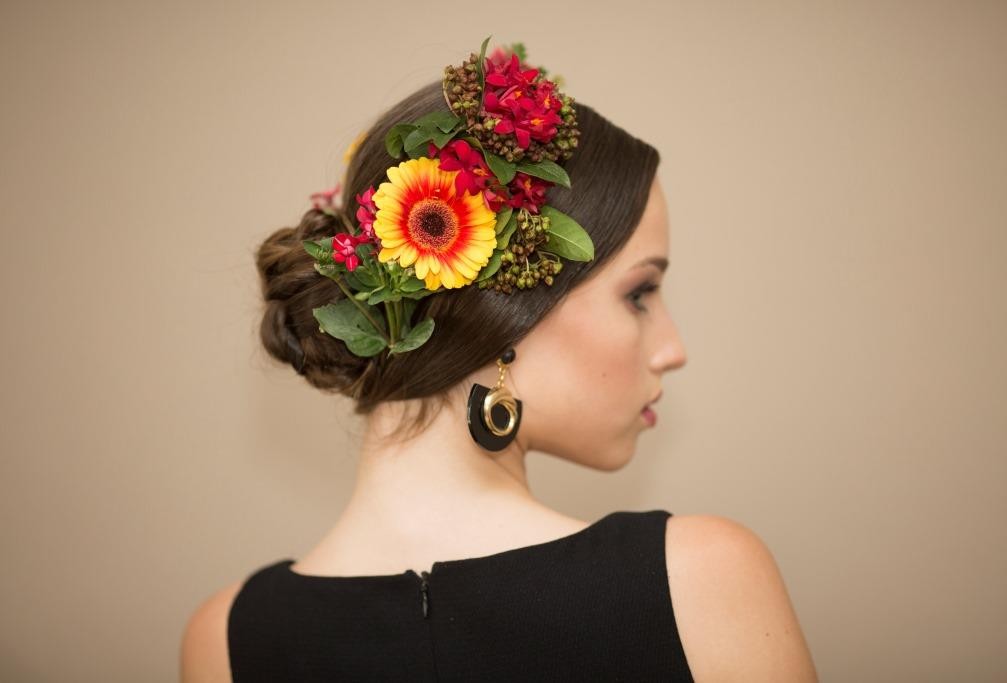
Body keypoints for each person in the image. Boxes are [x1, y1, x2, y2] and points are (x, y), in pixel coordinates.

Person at [180, 40, 818, 682]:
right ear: (506, 312)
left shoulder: (224, 641)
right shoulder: (700, 582)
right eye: (639, 293)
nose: (672, 350)